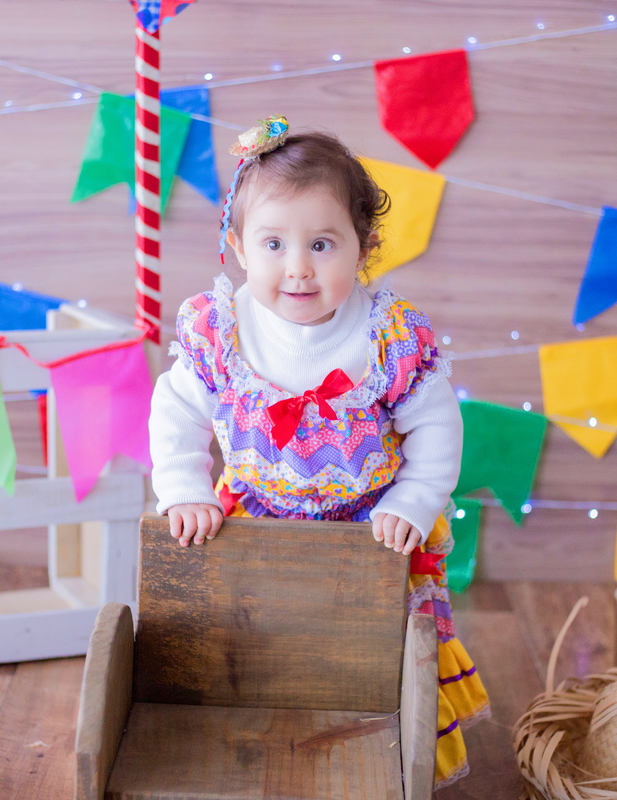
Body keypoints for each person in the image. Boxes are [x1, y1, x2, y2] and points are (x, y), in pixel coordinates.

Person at [148, 116, 488, 788]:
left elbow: (437, 425)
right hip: (256, 515)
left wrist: (414, 500)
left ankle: (377, 737)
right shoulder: (223, 330)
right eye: (273, 242)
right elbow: (177, 409)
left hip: (370, 527)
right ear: (239, 247)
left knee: (373, 646)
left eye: (323, 244)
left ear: (363, 246)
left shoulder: (386, 337)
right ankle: (253, 731)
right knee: (252, 634)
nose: (298, 267)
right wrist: (183, 487)